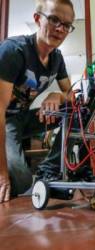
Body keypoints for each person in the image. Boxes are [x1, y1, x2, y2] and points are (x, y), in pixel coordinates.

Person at [0, 0, 75, 203]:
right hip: (5, 121)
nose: (60, 29)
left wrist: (57, 96)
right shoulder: (13, 51)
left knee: (75, 109)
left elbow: (70, 93)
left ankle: (49, 170)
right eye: (54, 20)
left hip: (24, 117)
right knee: (22, 180)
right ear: (37, 19)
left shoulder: (57, 59)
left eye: (66, 25)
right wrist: (2, 174)